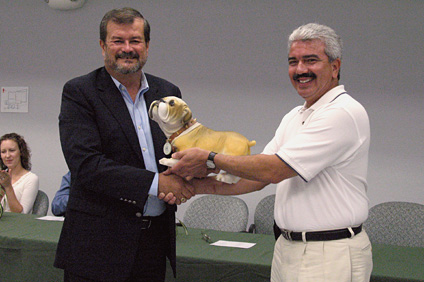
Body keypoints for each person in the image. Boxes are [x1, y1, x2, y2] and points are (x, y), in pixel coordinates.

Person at [166, 23, 373, 282]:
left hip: (329, 254)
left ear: (335, 66)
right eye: (293, 61)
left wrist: (208, 157)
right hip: (288, 249)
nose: (300, 70)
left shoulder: (341, 112)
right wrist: (195, 187)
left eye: (311, 60)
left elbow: (273, 170)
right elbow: (256, 178)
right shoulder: (295, 116)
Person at [54, 7, 194, 282]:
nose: (127, 48)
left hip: (154, 244)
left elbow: (181, 149)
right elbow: (87, 166)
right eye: (118, 41)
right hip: (97, 249)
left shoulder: (168, 92)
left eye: (135, 41)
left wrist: (188, 171)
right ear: (103, 45)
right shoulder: (80, 92)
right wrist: (158, 184)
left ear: (147, 46)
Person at [0, 133, 39, 214]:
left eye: (12, 150)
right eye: (3, 152)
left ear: (21, 152)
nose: (7, 155)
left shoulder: (31, 179)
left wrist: (8, 187)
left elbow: (21, 214)